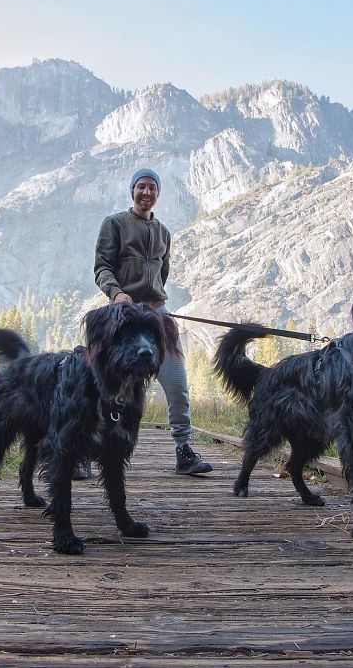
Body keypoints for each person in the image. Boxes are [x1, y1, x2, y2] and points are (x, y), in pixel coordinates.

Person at [91, 167, 213, 476]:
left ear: (157, 193)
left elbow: (163, 273)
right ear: (132, 190)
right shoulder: (114, 224)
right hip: (121, 315)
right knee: (99, 382)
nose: (146, 192)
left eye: (152, 188)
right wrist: (117, 293)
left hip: (157, 314)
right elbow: (102, 267)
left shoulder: (164, 233)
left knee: (176, 381)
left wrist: (155, 303)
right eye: (141, 187)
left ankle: (183, 450)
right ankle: (85, 451)